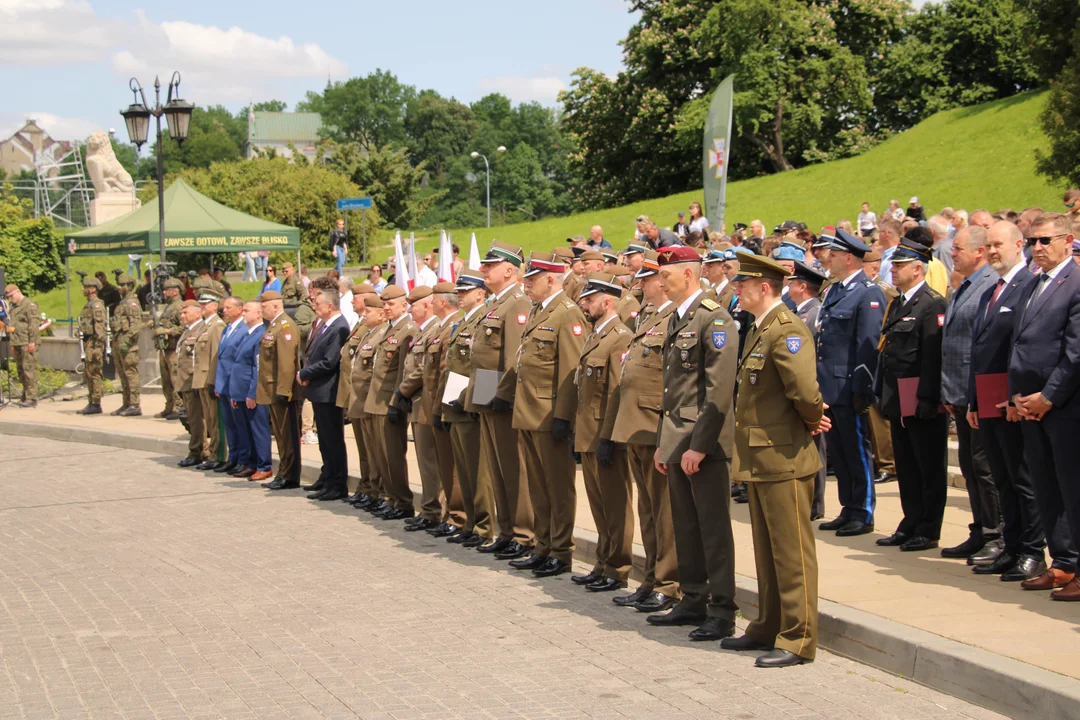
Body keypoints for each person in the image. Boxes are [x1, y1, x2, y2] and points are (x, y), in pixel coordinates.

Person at [724, 253, 825, 668]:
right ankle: (767, 625)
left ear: (763, 288)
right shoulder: (760, 328)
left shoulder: (787, 330)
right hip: (762, 455)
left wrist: (814, 419)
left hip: (783, 455)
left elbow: (803, 390)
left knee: (792, 551)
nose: (735, 290)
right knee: (766, 550)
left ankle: (798, 638)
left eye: (741, 285)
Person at [648, 245, 738, 641]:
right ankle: (693, 598)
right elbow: (673, 390)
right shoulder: (678, 318)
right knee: (685, 525)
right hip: (678, 438)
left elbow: (717, 392)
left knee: (713, 528)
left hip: (704, 442)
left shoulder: (712, 319)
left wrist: (699, 445)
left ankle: (722, 609)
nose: (660, 281)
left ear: (688, 274)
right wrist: (665, 444)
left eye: (666, 274)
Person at [966, 221, 1047, 581]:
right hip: (986, 398)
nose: (993, 251)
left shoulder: (1028, 286)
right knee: (1001, 477)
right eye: (989, 246)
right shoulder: (989, 291)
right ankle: (1011, 547)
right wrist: (971, 400)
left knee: (1021, 479)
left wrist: (1015, 396)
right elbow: (978, 350)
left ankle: (1032, 551)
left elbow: (1020, 348)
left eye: (999, 244)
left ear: (1018, 245)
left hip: (1011, 400)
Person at [1008, 212, 1080, 600]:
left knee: (1073, 488)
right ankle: (1064, 563)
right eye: (1033, 241)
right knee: (1046, 487)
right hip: (1029, 406)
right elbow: (1019, 345)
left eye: (1046, 241)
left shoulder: (1076, 283)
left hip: (1064, 407)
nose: (1037, 248)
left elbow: (1075, 353)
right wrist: (1016, 395)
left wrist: (1048, 396)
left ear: (1068, 241)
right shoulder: (1035, 284)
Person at [608, 249, 681, 612]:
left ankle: (669, 582)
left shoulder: (672, 318)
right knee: (648, 509)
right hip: (637, 426)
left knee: (664, 511)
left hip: (655, 426)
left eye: (645, 279)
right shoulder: (648, 316)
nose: (639, 285)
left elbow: (672, 382)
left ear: (660, 282)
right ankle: (651, 576)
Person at [510, 251, 586, 578]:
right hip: (529, 411)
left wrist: (563, 417)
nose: (525, 285)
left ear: (551, 279)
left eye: (531, 279)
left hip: (549, 413)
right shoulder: (539, 310)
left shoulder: (567, 314)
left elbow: (571, 371)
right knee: (538, 487)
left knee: (557, 486)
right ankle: (542, 545)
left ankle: (561, 550)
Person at [875, 238, 948, 553]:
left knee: (928, 466)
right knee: (906, 465)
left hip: (920, 397)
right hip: (898, 397)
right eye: (894, 264)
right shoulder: (900, 302)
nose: (893, 269)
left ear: (918, 268)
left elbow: (933, 355)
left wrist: (929, 399)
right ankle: (911, 521)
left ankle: (928, 528)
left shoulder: (932, 303)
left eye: (899, 265)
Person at [815, 230, 886, 537]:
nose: (827, 259)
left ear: (848, 258)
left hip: (849, 387)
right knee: (840, 453)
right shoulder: (833, 291)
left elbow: (868, 344)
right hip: (829, 388)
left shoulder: (867, 292)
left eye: (832, 254)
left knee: (857, 452)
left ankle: (863, 511)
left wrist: (862, 388)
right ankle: (848, 507)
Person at [470, 241, 535, 558]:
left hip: (502, 395)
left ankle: (523, 534)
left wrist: (503, 396)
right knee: (496, 467)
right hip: (487, 388)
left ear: (509, 270)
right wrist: (478, 399)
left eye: (489, 265)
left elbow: (512, 359)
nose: (483, 269)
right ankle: (506, 530)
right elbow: (483, 357)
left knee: (513, 468)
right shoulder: (495, 304)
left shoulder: (517, 304)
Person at [940, 227, 1000, 561]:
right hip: (959, 392)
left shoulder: (989, 284)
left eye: (958, 248)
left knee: (983, 466)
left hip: (977, 392)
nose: (953, 253)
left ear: (979, 252)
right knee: (969, 465)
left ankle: (996, 533)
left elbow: (983, 346)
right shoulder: (963, 285)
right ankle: (980, 529)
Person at [572, 273, 633, 593]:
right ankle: (602, 561)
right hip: (588, 431)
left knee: (615, 503)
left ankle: (618, 566)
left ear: (607, 302)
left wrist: (609, 437)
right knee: (598, 503)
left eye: (591, 299)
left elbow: (616, 392)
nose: (586, 304)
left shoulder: (620, 337)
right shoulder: (597, 334)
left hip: (604, 433)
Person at [438, 270, 495, 544]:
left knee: (478, 470)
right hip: (456, 402)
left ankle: (484, 527)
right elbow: (455, 367)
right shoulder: (463, 322)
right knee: (464, 469)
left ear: (480, 293)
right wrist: (447, 404)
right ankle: (471, 523)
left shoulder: (485, 320)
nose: (459, 295)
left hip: (471, 404)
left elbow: (487, 365)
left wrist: (479, 403)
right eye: (458, 291)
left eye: (465, 291)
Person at [365, 285, 418, 520]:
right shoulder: (390, 328)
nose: (385, 308)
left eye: (390, 304)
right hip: (377, 399)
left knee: (393, 455)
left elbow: (402, 372)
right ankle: (392, 498)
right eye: (384, 304)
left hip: (389, 400)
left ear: (404, 305)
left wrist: (397, 401)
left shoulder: (408, 329)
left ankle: (403, 501)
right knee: (382, 455)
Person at [393, 286, 443, 531]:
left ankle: (433, 510)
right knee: (424, 460)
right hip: (416, 402)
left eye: (414, 304)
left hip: (425, 400)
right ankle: (429, 508)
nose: (410, 308)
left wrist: (402, 390)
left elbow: (424, 368)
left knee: (430, 461)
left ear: (428, 305)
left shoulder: (435, 329)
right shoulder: (423, 331)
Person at [298, 288, 351, 501]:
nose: (315, 306)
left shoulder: (340, 327)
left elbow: (330, 361)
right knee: (325, 441)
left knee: (333, 440)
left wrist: (305, 372)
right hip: (320, 391)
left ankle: (337, 484)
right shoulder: (326, 325)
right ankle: (328, 478)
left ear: (330, 306)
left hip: (329, 390)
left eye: (318, 303)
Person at [424, 284, 467, 536]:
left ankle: (458, 516)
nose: (431, 304)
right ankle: (451, 514)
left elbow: (455, 370)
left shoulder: (455, 325)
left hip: (451, 403)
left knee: (454, 467)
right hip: (439, 402)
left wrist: (448, 404)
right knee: (445, 465)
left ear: (442, 302)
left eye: (433, 300)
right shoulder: (443, 327)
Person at [788, 261, 827, 519]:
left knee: (815, 448)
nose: (788, 286)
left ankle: (815, 503)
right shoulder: (797, 312)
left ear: (803, 287)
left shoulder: (815, 313)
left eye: (792, 282)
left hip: (812, 389)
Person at [257, 290, 302, 490]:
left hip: (280, 390)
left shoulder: (284, 326)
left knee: (287, 435)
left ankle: (289, 475)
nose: (261, 309)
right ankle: (283, 472)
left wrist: (284, 391)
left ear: (275, 306)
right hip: (271, 388)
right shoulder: (274, 326)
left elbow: (286, 364)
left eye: (264, 306)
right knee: (280, 435)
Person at [349, 295, 389, 509]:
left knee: (377, 451)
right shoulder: (369, 334)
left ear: (381, 314)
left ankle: (380, 492)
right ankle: (371, 489)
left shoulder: (382, 333)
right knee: (368, 451)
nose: (363, 314)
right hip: (361, 398)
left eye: (368, 311)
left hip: (372, 399)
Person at [228, 300, 272, 481]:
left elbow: (257, 367)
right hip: (240, 390)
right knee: (246, 430)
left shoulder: (261, 334)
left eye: (247, 310)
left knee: (258, 429)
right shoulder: (248, 333)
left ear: (258, 313)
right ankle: (251, 463)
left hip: (251, 391)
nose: (243, 313)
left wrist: (252, 393)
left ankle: (264, 465)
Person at [212, 297, 246, 475]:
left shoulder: (244, 329)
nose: (224, 310)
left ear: (240, 309)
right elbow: (222, 359)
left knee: (239, 424)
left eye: (228, 307)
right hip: (223, 383)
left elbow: (237, 361)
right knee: (229, 425)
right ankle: (233, 457)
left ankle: (242, 459)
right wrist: (218, 384)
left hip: (234, 384)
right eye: (224, 307)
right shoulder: (227, 328)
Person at [194, 291, 227, 471]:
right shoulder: (205, 326)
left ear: (215, 306)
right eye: (201, 304)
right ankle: (214, 454)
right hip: (202, 379)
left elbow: (216, 356)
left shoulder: (217, 326)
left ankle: (218, 455)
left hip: (209, 379)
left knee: (215, 421)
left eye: (205, 304)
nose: (202, 307)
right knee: (209, 419)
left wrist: (215, 381)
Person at [175, 300, 206, 466]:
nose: (182, 316)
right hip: (184, 382)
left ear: (197, 312)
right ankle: (200, 449)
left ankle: (196, 452)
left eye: (185, 313)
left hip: (193, 381)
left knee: (196, 419)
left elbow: (198, 359)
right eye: (182, 313)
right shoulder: (188, 331)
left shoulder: (201, 330)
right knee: (192, 418)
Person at [110, 274, 144, 417]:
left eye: (123, 285)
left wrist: (128, 340)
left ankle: (135, 404)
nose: (120, 288)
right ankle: (127, 402)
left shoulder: (132, 303)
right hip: (119, 341)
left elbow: (136, 325)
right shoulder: (123, 302)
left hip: (127, 345)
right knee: (123, 375)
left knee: (131, 374)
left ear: (129, 286)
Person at [75, 277, 107, 415]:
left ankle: (96, 402)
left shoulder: (96, 305)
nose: (84, 290)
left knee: (94, 373)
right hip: (89, 342)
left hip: (94, 344)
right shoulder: (88, 305)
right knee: (89, 374)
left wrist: (96, 346)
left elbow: (99, 328)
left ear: (93, 289)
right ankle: (92, 401)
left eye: (86, 287)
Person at [6, 284, 40, 408]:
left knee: (29, 370)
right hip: (17, 342)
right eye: (8, 297)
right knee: (21, 370)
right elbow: (12, 326)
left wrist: (32, 342)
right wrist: (12, 344)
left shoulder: (29, 305)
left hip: (27, 342)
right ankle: (26, 395)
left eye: (12, 295)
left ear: (18, 292)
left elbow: (33, 325)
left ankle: (32, 398)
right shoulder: (13, 307)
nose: (11, 299)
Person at [874, 218, 902, 286]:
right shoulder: (889, 255)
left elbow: (888, 289)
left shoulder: (893, 258)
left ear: (885, 234)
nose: (878, 235)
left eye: (879, 232)